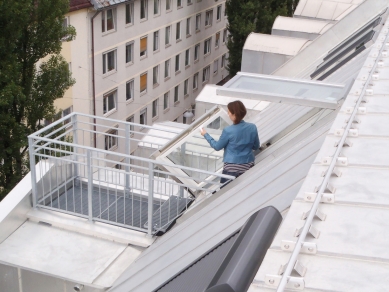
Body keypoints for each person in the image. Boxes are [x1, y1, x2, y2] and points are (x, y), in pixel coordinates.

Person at [200, 100, 260, 185]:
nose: (228, 114)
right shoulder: (252, 127)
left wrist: (205, 134)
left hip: (231, 168)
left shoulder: (228, 131)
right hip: (248, 165)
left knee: (224, 193)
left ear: (233, 114)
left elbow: (217, 147)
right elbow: (256, 146)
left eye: (229, 112)